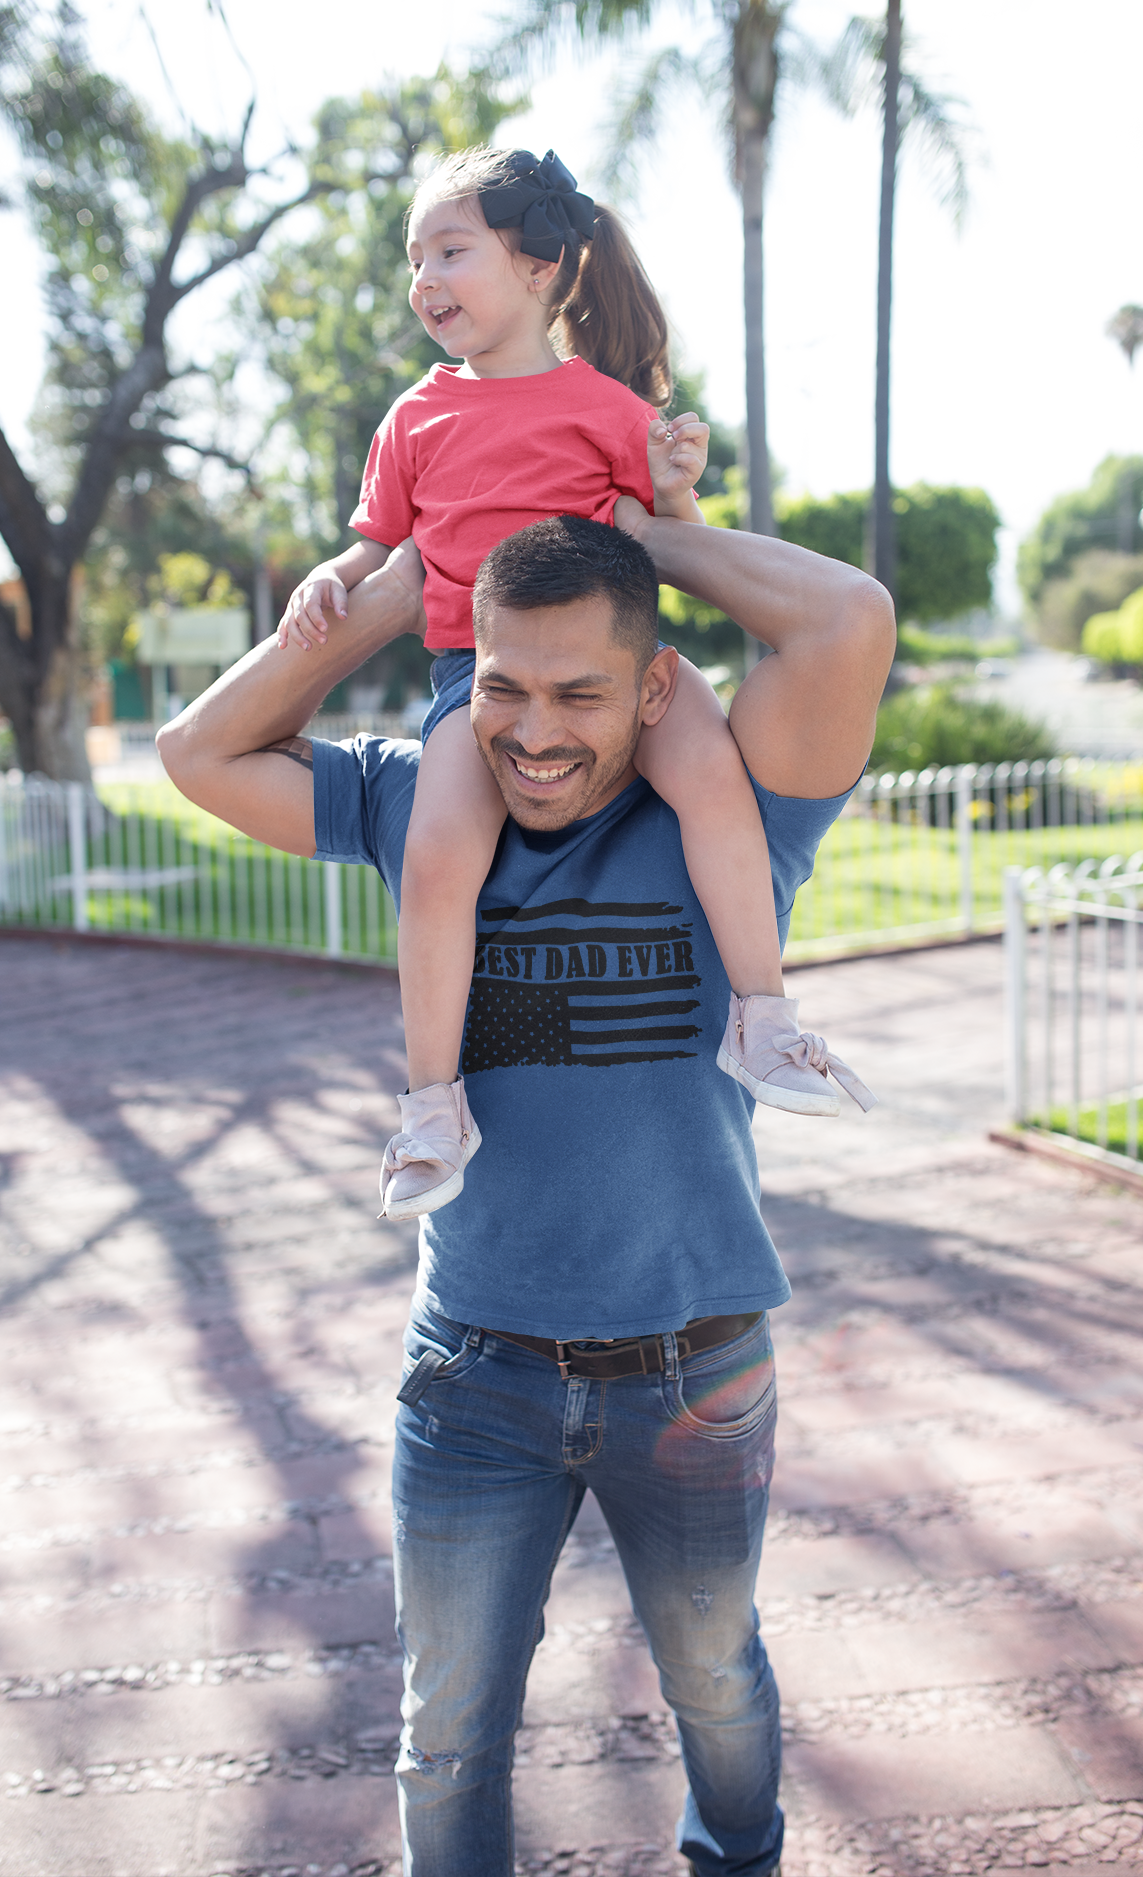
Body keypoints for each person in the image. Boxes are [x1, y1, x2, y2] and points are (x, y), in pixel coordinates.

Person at [157, 497, 895, 1877]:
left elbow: (848, 620)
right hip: (475, 1377)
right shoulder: (410, 805)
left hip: (696, 1369)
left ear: (654, 689)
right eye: (502, 685)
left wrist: (641, 535)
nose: (535, 731)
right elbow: (197, 752)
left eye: (579, 691)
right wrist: (381, 603)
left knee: (717, 1681)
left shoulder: (736, 815)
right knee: (446, 1733)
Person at [275, 147, 873, 1222]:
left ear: (542, 265)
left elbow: (679, 549)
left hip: (625, 672)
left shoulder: (604, 406)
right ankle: (429, 1105)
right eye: (414, 258)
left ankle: (763, 1022)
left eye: (451, 250)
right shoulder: (411, 419)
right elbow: (373, 548)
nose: (425, 278)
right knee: (436, 856)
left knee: (710, 781)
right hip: (481, 681)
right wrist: (330, 576)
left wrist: (678, 487)